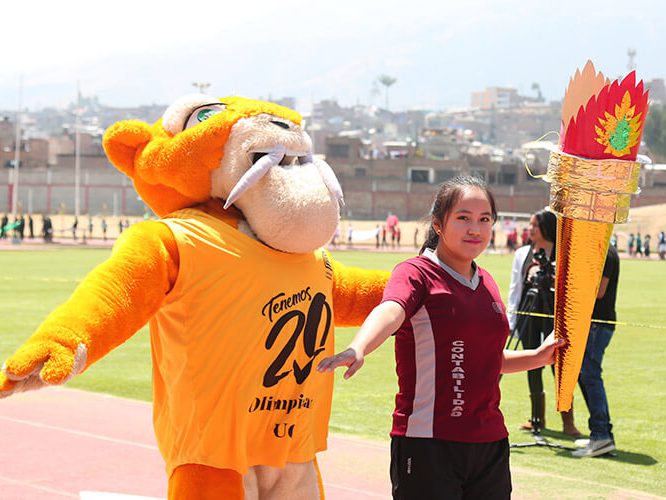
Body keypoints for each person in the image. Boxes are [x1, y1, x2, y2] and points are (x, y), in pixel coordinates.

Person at [318, 176, 564, 499]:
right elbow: (391, 309)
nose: (475, 228)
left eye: (484, 219)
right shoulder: (416, 273)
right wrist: (359, 346)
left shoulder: (487, 282)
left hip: (489, 444)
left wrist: (538, 356)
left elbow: (486, 359)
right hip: (428, 444)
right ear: (438, 224)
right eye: (463, 218)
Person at [507, 208, 581, 437]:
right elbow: (515, 288)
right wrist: (511, 321)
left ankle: (568, 421)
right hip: (528, 313)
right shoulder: (522, 254)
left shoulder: (564, 253)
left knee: (559, 368)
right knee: (531, 365)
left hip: (554, 317)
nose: (530, 229)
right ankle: (536, 419)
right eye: (530, 224)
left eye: (535, 225)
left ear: (547, 228)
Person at [573, 244, 619, 457]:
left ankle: (600, 435)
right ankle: (603, 434)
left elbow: (599, 291)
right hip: (596, 323)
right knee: (589, 375)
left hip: (597, 323)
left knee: (590, 376)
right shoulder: (603, 249)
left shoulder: (604, 251)